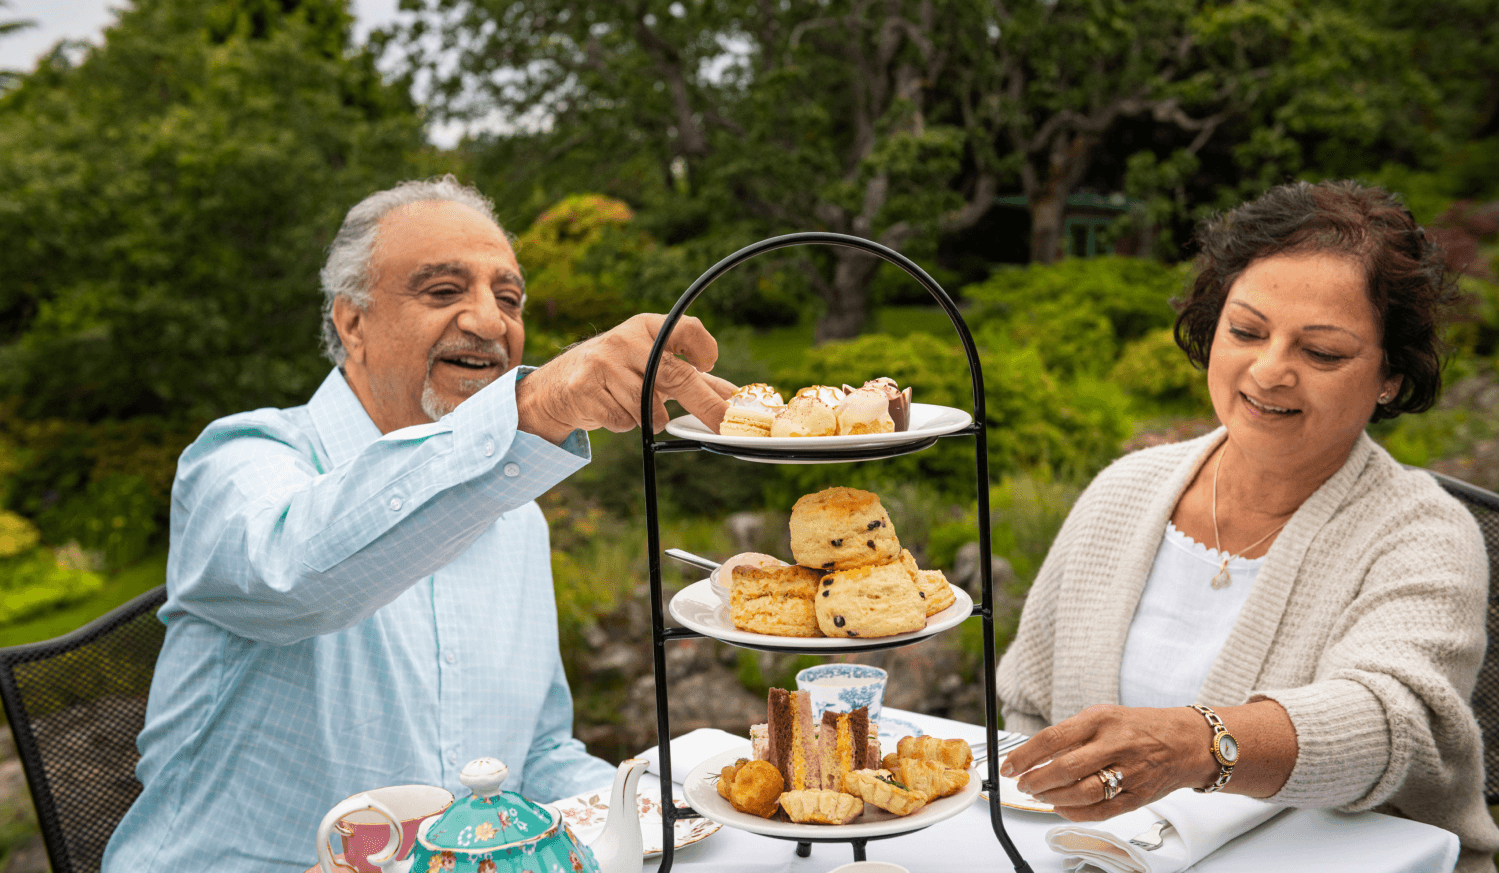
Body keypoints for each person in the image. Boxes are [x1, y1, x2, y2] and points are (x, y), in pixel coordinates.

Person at [101, 176, 734, 873]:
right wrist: (538, 406)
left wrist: (689, 810)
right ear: (351, 323)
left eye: (509, 298)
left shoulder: (517, 515)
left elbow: (538, 754)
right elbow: (300, 573)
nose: (491, 322)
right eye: (442, 291)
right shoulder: (239, 462)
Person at [995, 179, 1499, 872]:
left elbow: (1392, 723)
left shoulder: (1423, 533)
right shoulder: (1123, 491)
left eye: (1320, 352)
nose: (1267, 371)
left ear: (1388, 375)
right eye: (1245, 331)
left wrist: (1196, 743)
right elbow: (1025, 708)